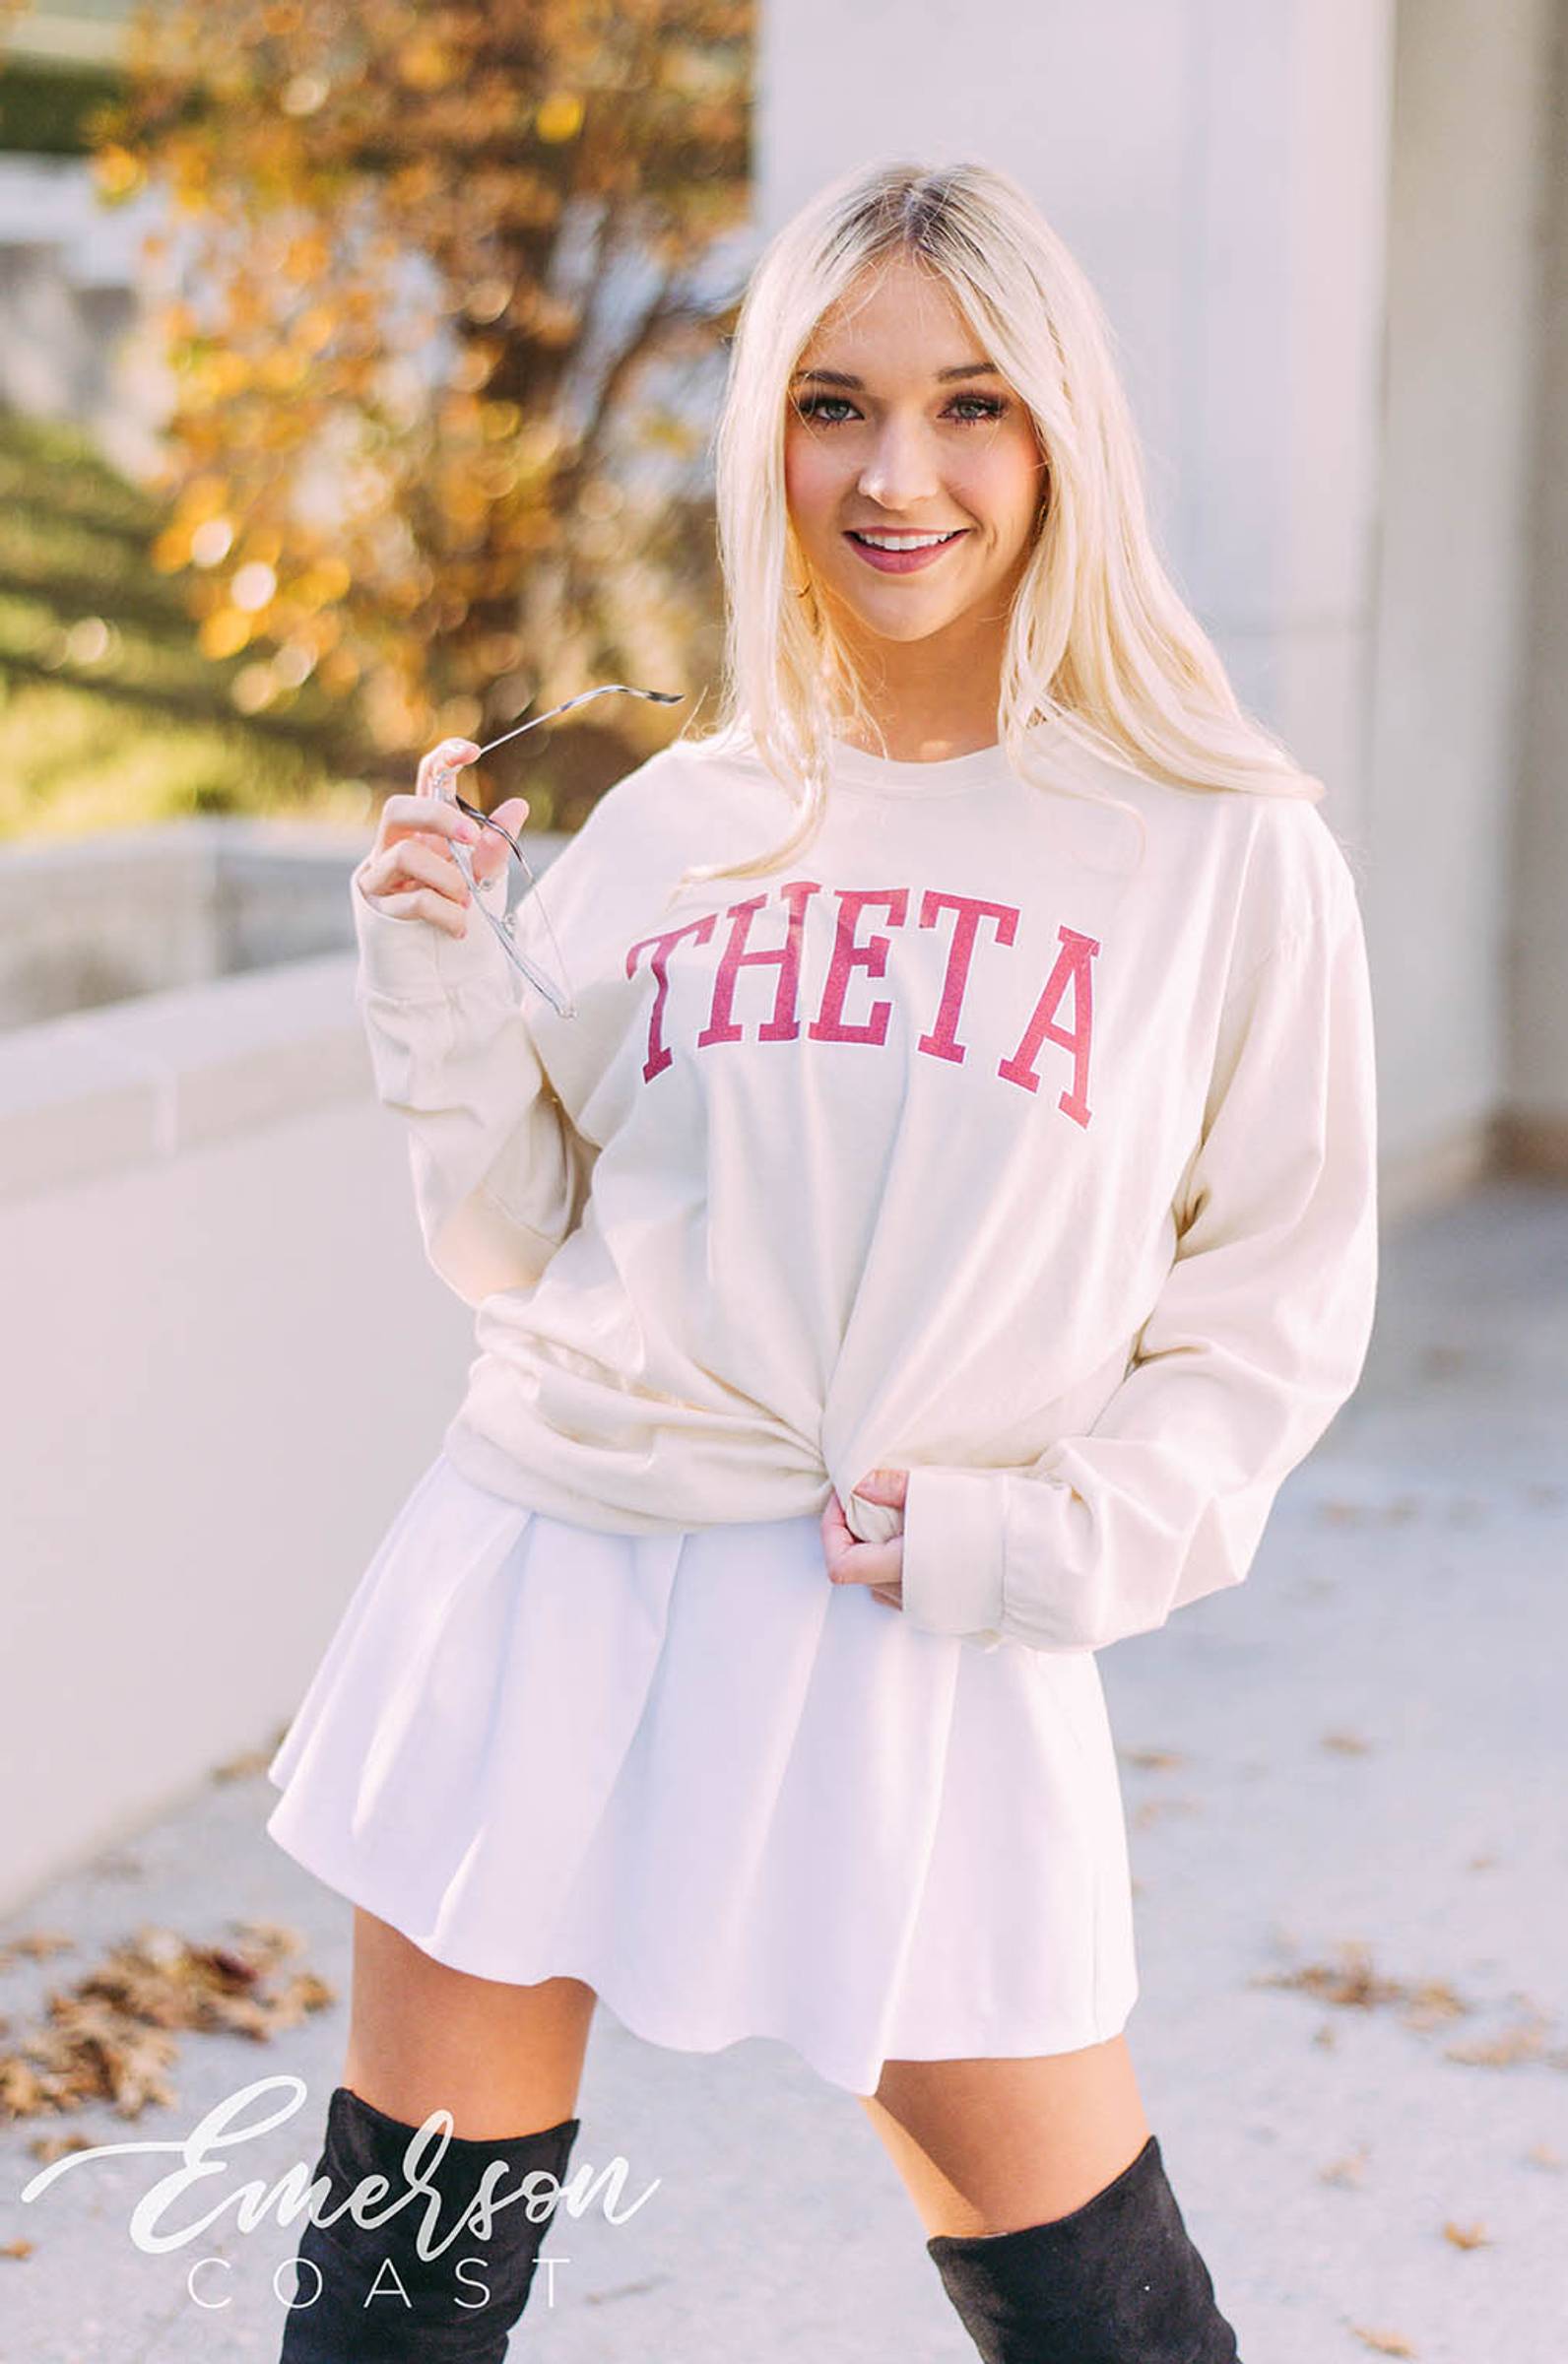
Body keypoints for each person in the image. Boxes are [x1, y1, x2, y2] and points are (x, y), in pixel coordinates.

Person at [265, 157, 1379, 2362]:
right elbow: (515, 1240)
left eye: (970, 404)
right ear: (762, 434)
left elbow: (1271, 1304)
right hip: (554, 1575)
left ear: (1058, 432)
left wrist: (1040, 1544)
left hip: (913, 1626)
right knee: (398, 2316)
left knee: (1109, 2325)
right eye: (830, 404)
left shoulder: (1218, 846)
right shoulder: (689, 816)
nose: (894, 475)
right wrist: (437, 977)